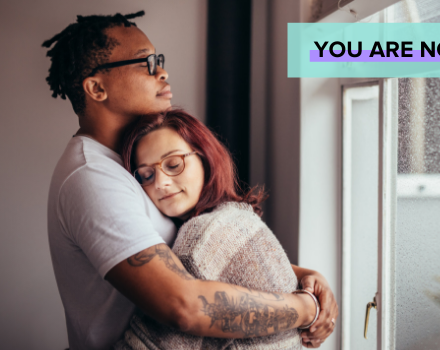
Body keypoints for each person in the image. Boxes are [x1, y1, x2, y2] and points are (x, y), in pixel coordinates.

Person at [44, 11, 337, 350]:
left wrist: (301, 277)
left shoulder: (127, 162)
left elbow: (193, 258)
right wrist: (304, 308)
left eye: (159, 60)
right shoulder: (93, 178)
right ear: (96, 88)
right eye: (145, 63)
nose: (162, 71)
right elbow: (183, 306)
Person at [114, 109, 313, 349]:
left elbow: (148, 345)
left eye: (174, 164)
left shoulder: (200, 236)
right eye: (146, 175)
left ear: (205, 157)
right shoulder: (238, 217)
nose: (161, 183)